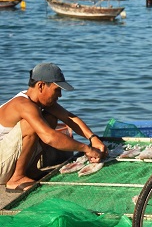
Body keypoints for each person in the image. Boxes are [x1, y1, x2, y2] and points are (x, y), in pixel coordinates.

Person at [0, 63, 108, 193]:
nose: (60, 95)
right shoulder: (23, 104)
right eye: (57, 90)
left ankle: (31, 170)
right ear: (41, 86)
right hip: (2, 166)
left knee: (50, 118)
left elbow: (69, 118)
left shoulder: (38, 102)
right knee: (31, 125)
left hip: (7, 160)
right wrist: (86, 148)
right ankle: (16, 179)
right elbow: (49, 137)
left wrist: (93, 138)